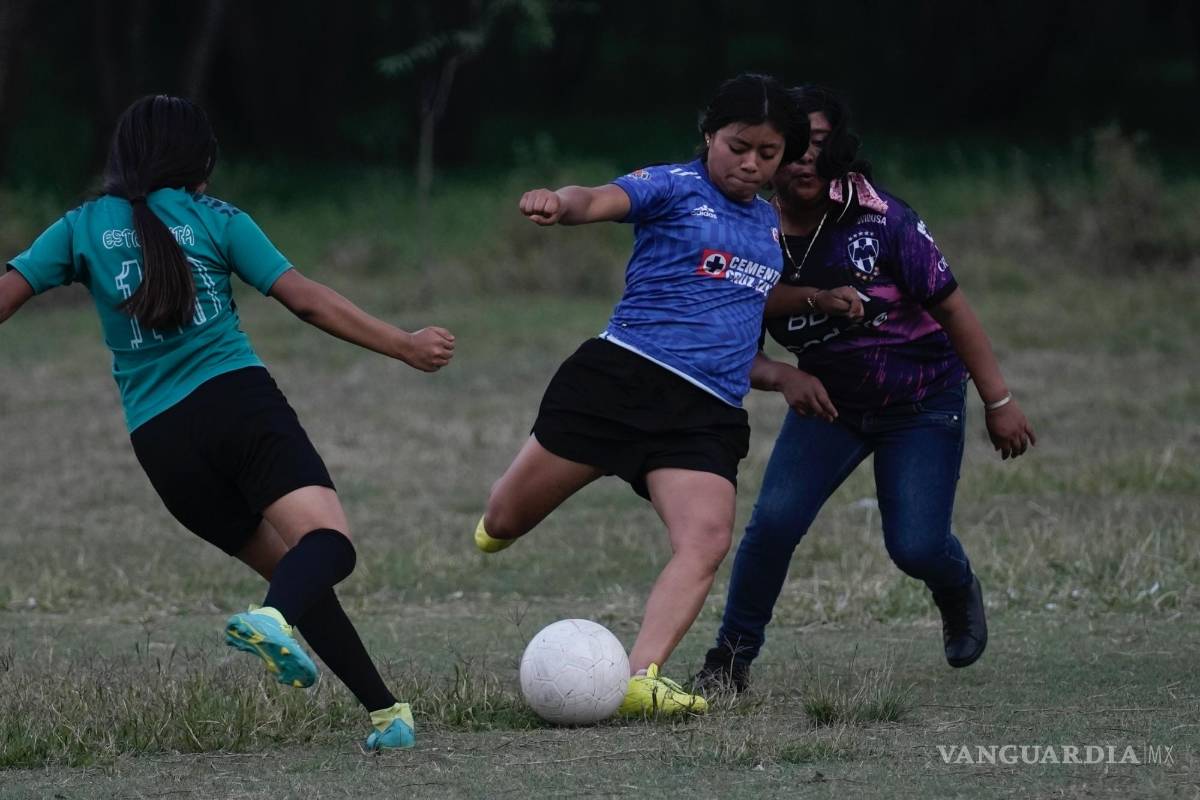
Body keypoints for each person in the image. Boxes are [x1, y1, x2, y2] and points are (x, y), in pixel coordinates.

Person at [0, 95, 456, 750]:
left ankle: (386, 713)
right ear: (197, 160)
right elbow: (308, 302)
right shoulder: (216, 218)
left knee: (295, 572)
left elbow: (7, 295)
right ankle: (271, 619)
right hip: (237, 405)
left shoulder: (78, 227)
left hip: (161, 445)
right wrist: (404, 345)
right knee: (329, 547)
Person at [471, 73, 806, 716]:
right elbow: (596, 198)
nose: (752, 163)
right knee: (506, 519)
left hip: (705, 411)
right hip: (619, 383)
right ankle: (493, 527)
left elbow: (738, 314)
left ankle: (637, 678)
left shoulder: (769, 225)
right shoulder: (673, 186)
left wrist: (790, 360)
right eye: (740, 146)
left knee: (706, 539)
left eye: (768, 154)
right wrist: (557, 203)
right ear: (709, 136)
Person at [695, 85, 1036, 692]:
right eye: (788, 147)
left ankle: (956, 588)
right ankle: (730, 661)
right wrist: (786, 376)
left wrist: (999, 401)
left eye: (816, 145)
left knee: (916, 546)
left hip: (923, 402)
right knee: (772, 523)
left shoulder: (882, 220)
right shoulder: (744, 231)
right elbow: (732, 349)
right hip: (832, 407)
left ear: (838, 149)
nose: (802, 159)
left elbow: (954, 309)